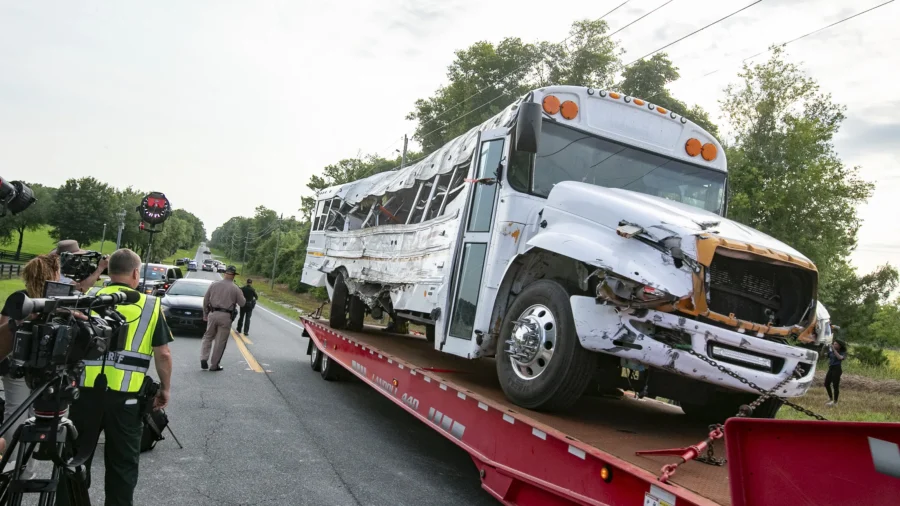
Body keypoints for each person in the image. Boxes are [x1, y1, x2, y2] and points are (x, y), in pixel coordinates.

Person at [57, 248, 173, 506]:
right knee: (122, 467)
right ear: (135, 273)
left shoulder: (89, 296)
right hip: (126, 401)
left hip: (84, 394)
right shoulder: (150, 305)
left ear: (109, 271)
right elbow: (163, 354)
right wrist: (165, 389)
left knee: (74, 460)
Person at [0, 254, 62, 477]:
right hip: (45, 367)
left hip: (16, 365)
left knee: (14, 414)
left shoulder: (19, 299)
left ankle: (15, 468)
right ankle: (26, 467)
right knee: (36, 416)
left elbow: (4, 330)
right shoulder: (59, 301)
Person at [201, 265, 245, 371]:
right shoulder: (235, 288)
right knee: (220, 341)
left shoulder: (214, 285)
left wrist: (205, 314)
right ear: (233, 276)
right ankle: (214, 365)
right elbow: (242, 303)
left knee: (208, 336)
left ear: (225, 274)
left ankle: (203, 358)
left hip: (213, 313)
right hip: (226, 316)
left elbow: (206, 300)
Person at [824, 339, 847, 407]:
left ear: (839, 346)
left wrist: (834, 350)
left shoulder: (843, 353)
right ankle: (831, 398)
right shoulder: (831, 352)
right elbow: (823, 355)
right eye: (833, 344)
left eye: (836, 344)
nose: (834, 345)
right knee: (826, 383)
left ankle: (835, 402)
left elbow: (840, 358)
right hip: (831, 368)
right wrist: (824, 348)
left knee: (835, 385)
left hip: (837, 369)